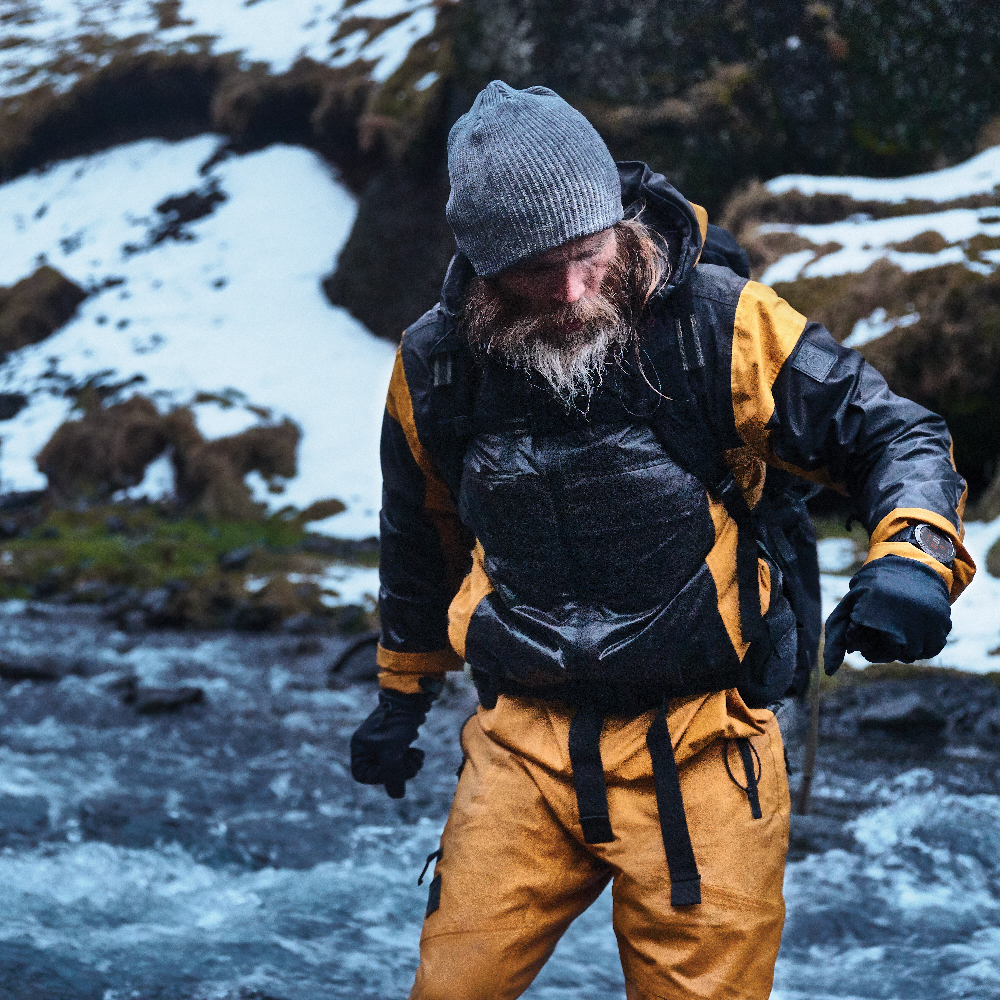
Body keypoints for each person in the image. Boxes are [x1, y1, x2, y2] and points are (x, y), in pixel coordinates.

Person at [350, 80, 975, 999]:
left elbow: (896, 436)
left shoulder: (724, 325)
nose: (571, 292)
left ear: (616, 222)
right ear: (482, 268)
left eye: (587, 253)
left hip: (705, 748)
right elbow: (420, 535)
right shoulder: (435, 366)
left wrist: (915, 558)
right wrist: (402, 695)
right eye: (535, 270)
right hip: (521, 747)